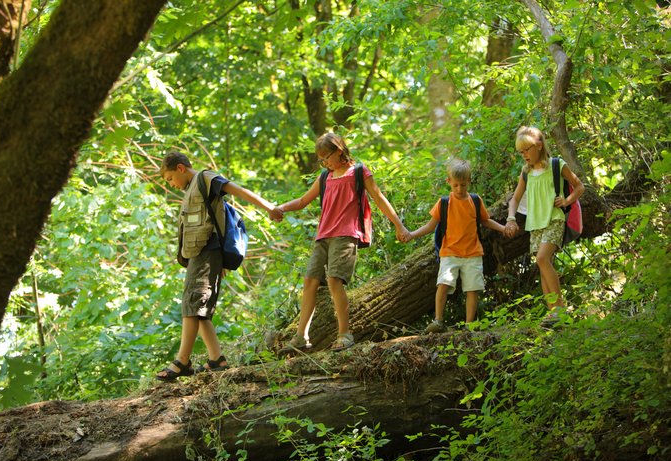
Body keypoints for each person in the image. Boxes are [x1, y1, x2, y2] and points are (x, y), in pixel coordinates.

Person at [271, 133, 410, 351]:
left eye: (326, 157)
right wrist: (281, 208)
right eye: (321, 159)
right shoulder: (325, 177)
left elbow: (378, 197)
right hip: (323, 236)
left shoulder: (359, 172)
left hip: (346, 234)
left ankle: (345, 334)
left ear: (338, 151)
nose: (324, 162)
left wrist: (399, 225)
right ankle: (301, 337)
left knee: (334, 280)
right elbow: (303, 200)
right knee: (310, 281)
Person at [156, 151, 282, 381]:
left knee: (194, 303)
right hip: (199, 254)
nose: (172, 185)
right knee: (197, 306)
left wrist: (269, 207)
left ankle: (182, 361)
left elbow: (238, 191)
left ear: (181, 168)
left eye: (170, 178)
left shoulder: (205, 179)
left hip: (207, 251)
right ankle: (217, 359)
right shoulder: (191, 189)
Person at [406, 159, 506, 332]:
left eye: (463, 185)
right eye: (456, 186)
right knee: (443, 284)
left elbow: (485, 220)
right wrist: (411, 234)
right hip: (449, 253)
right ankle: (438, 321)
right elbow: (430, 226)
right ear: (449, 182)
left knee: (472, 289)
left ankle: (469, 325)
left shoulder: (475, 201)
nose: (460, 189)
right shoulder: (444, 203)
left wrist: (504, 228)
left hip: (473, 253)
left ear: (469, 181)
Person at [504, 126, 584, 314]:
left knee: (542, 258)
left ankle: (560, 310)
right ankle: (552, 312)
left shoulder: (557, 165)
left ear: (539, 146)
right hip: (535, 224)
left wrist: (567, 201)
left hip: (555, 219)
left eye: (527, 149)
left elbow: (579, 187)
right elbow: (515, 199)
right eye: (521, 151)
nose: (524, 154)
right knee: (542, 264)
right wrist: (511, 218)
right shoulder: (526, 173)